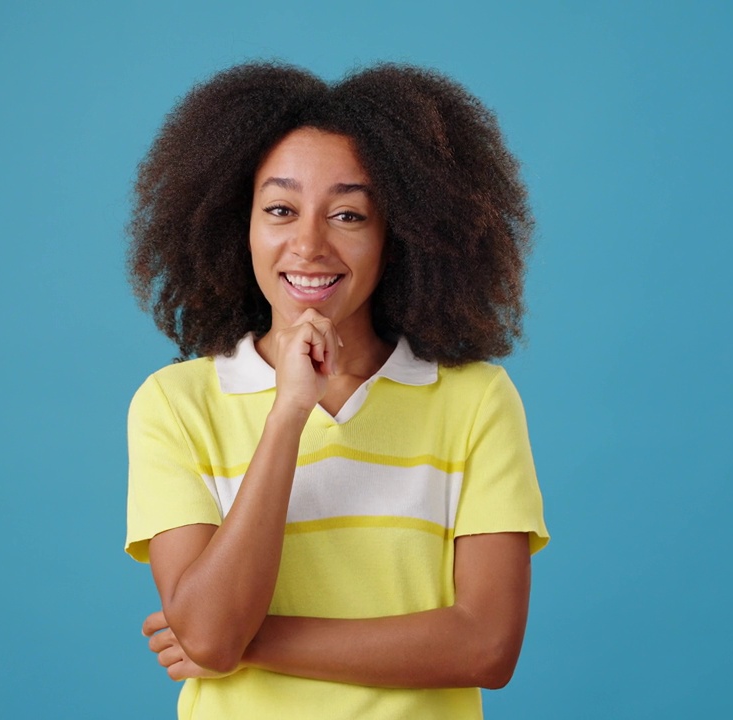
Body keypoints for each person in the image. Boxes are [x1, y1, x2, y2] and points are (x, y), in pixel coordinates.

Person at [124, 61, 549, 720]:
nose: (309, 243)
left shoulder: (476, 400)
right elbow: (208, 633)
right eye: (280, 210)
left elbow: (486, 648)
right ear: (239, 225)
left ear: (398, 235)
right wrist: (288, 413)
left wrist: (245, 644)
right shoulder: (176, 404)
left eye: (348, 214)